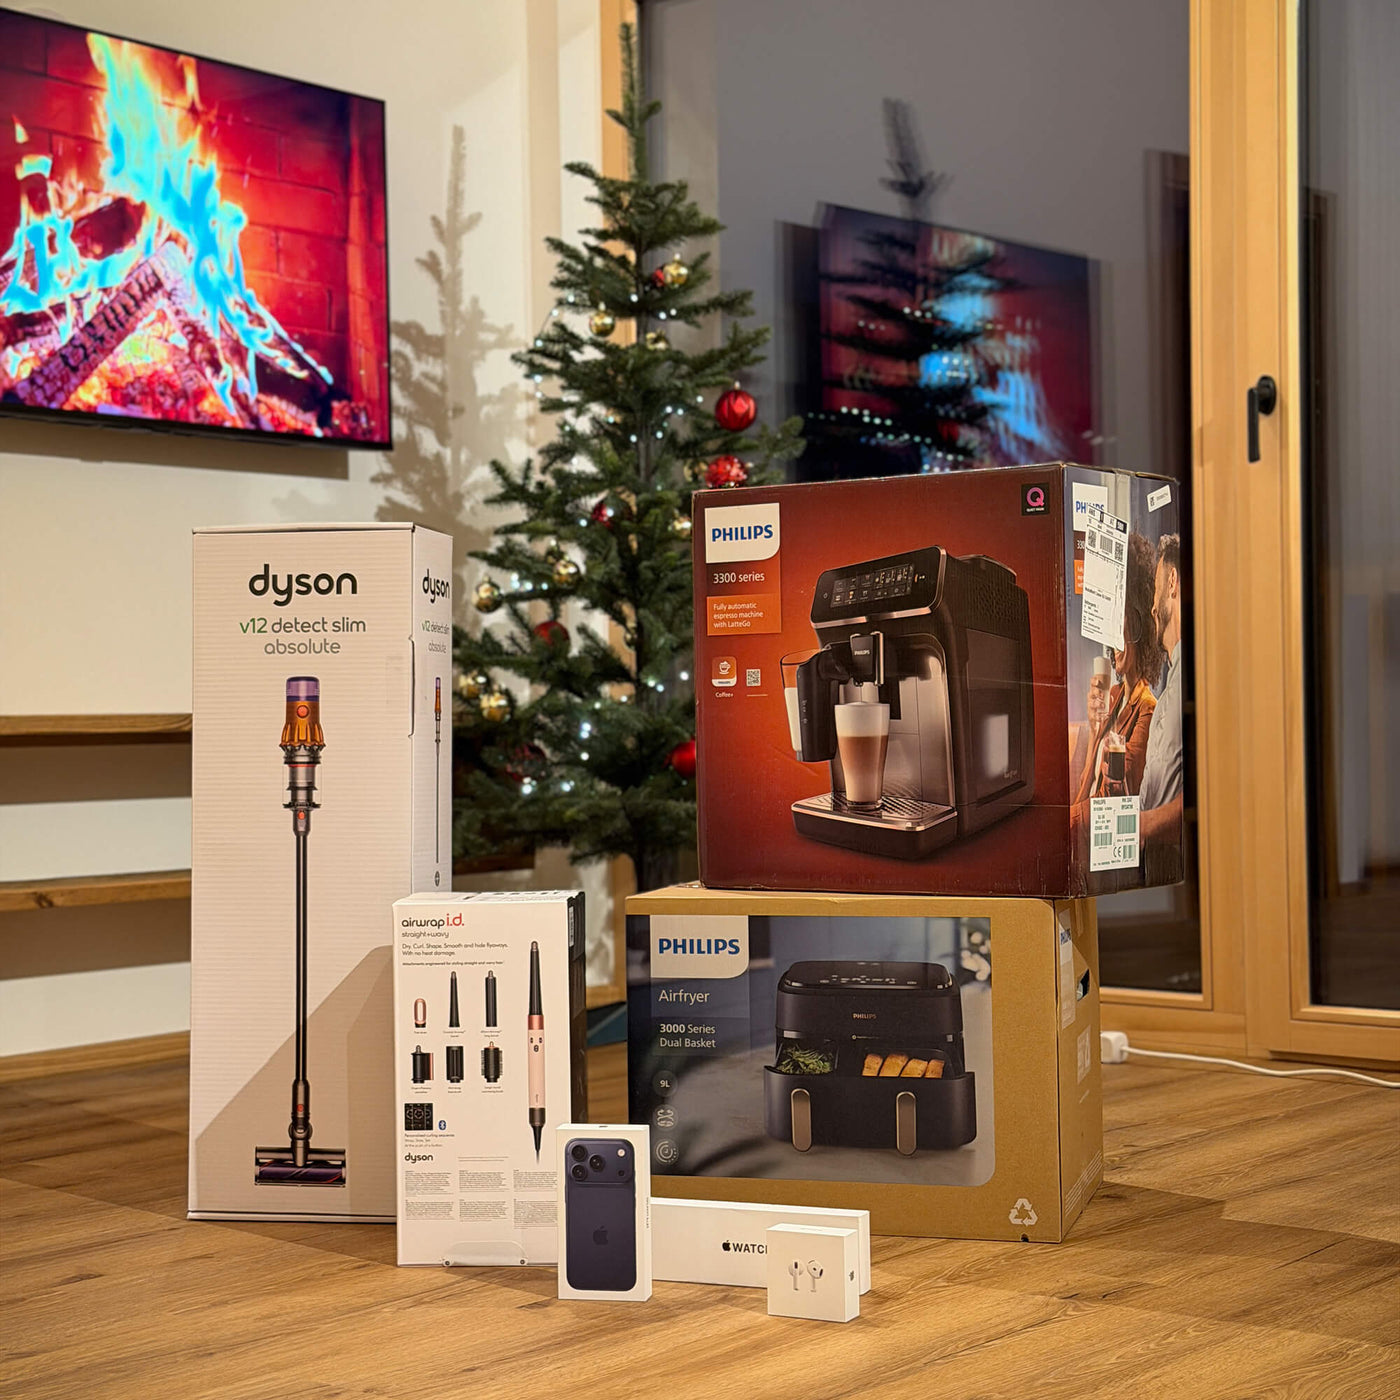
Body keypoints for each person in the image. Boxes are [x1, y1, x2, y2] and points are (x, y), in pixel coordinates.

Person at [1072, 531, 1164, 803]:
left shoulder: (1148, 710)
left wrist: (1067, 819)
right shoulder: (1113, 695)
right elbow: (1087, 783)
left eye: (1119, 620)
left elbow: (1113, 797)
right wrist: (1094, 729)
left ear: (1138, 626)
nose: (1112, 638)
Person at [1139, 533, 1184, 857]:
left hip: (1174, 859)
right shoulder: (1170, 684)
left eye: (1156, 590)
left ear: (1172, 582)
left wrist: (1143, 826)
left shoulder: (1198, 675)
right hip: (1152, 861)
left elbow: (1213, 786)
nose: (1153, 607)